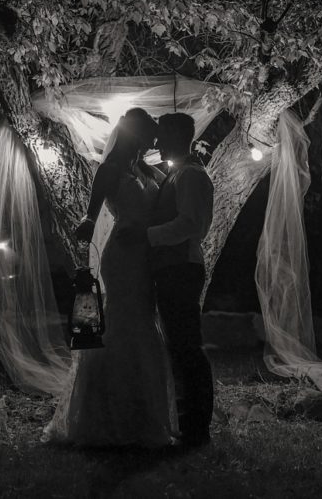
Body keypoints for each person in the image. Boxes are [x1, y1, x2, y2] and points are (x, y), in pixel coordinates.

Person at [42, 108, 176, 448]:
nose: (154, 141)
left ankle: (143, 412)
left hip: (145, 254)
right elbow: (90, 218)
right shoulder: (111, 169)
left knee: (144, 323)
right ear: (136, 134)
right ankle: (106, 416)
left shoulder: (147, 168)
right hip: (123, 255)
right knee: (124, 325)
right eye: (149, 134)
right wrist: (86, 225)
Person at [121, 112, 215, 448]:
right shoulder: (177, 174)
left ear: (178, 136)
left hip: (182, 269)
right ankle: (190, 423)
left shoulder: (190, 176)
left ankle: (198, 427)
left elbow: (191, 225)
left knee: (188, 346)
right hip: (172, 269)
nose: (156, 143)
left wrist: (146, 236)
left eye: (162, 136)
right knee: (179, 345)